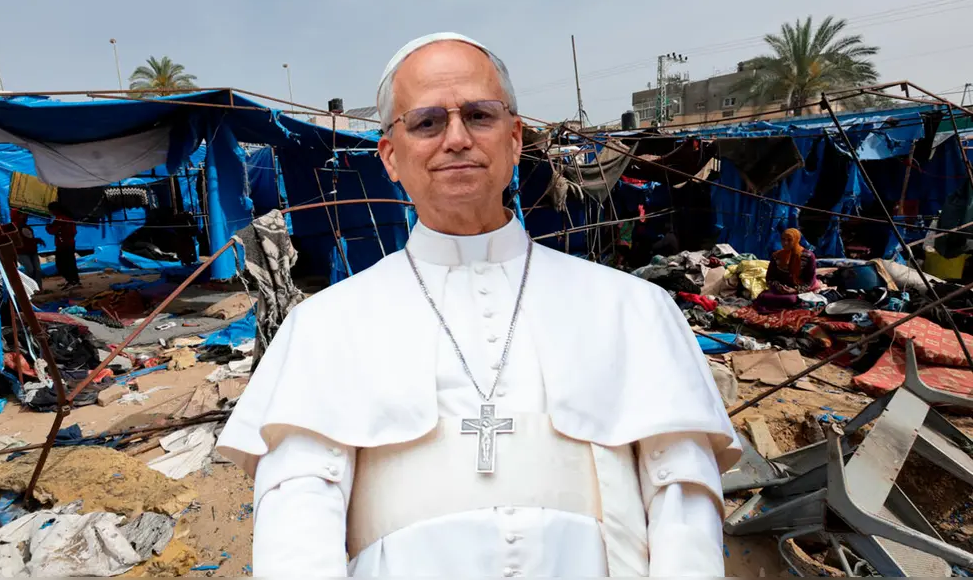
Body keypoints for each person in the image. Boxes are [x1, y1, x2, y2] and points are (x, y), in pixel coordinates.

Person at [216, 32, 739, 577]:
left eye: (479, 116)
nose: (457, 138)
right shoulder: (323, 327)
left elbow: (682, 499)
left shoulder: (635, 309)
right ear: (390, 157)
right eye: (426, 123)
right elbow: (297, 525)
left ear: (515, 140)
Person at [754, 227, 819, 312]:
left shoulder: (808, 256)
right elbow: (770, 278)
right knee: (762, 297)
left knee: (790, 300)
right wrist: (779, 287)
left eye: (789, 240)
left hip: (799, 290)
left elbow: (810, 281)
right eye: (783, 239)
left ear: (796, 240)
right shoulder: (776, 256)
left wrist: (795, 290)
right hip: (781, 290)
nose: (785, 243)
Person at [45, 202, 80, 289]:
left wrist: (48, 227)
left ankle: (72, 280)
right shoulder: (67, 218)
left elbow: (53, 230)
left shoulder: (60, 219)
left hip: (63, 245)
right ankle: (74, 280)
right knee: (70, 263)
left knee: (62, 264)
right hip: (69, 244)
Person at [11, 209, 44, 290]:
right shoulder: (14, 227)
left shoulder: (26, 227)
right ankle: (28, 288)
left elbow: (29, 239)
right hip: (22, 252)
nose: (25, 217)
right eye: (23, 215)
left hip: (32, 251)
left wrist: (36, 240)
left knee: (38, 270)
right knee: (30, 270)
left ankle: (38, 288)